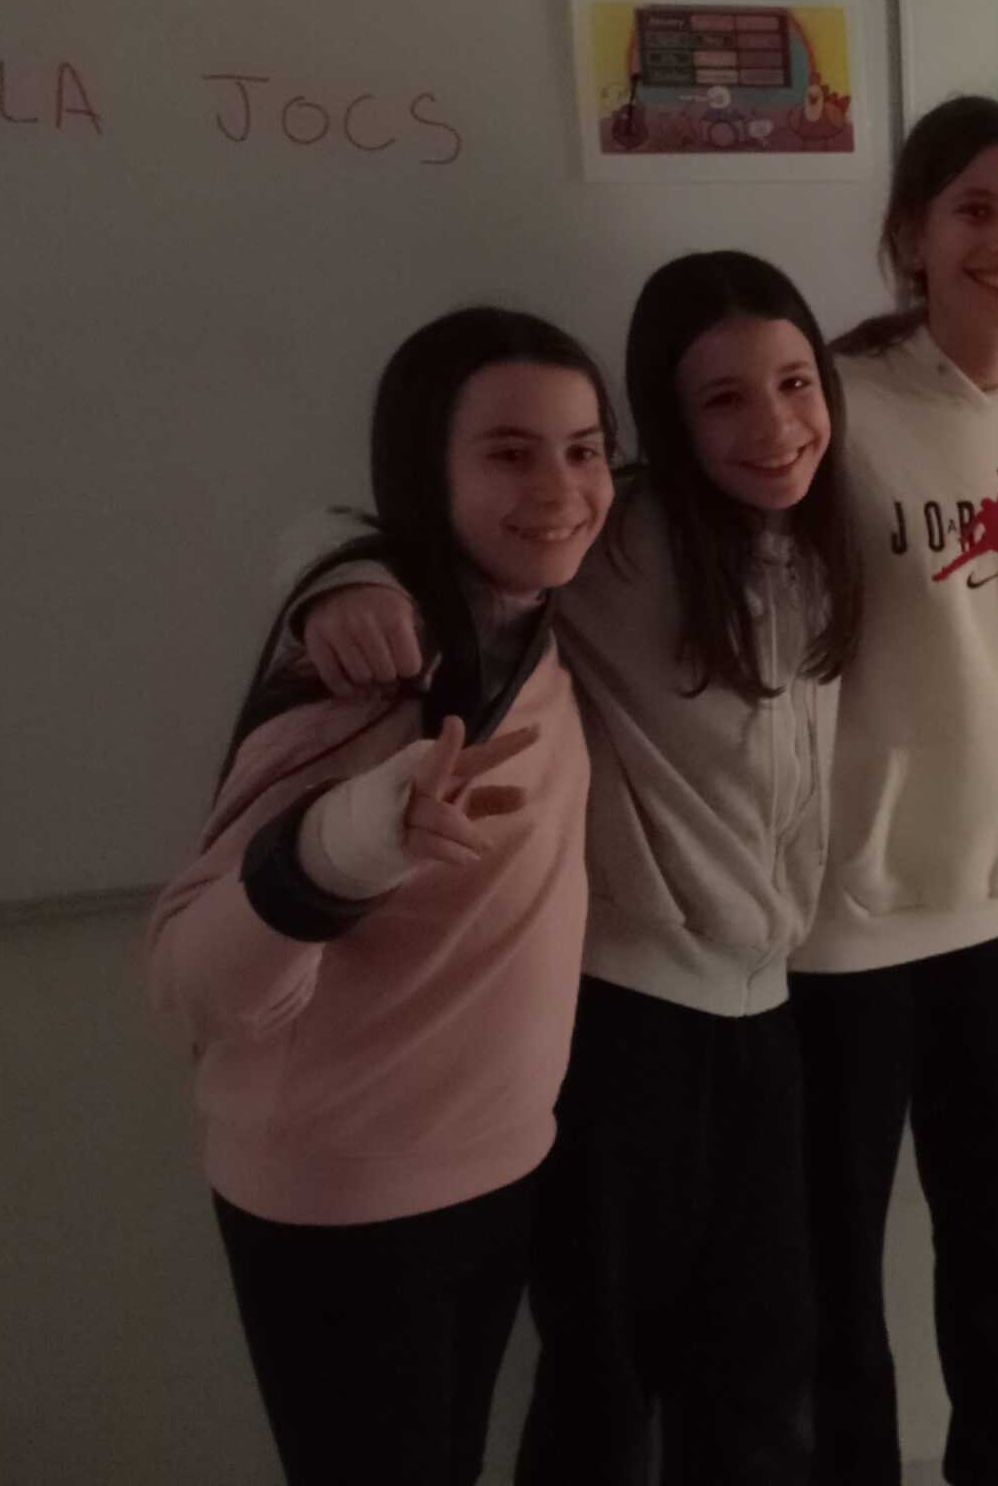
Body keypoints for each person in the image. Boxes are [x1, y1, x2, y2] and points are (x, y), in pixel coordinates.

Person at [295, 252, 861, 1485]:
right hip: (627, 1019)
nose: (774, 424)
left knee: (760, 1364)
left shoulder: (819, 544)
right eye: (722, 398)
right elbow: (402, 538)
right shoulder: (614, 541)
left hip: (768, 1009)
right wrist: (340, 580)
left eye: (794, 382)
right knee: (606, 1373)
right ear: (665, 417)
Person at [148, 306, 615, 1486]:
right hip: (341, 1201)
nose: (561, 487)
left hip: (499, 1167)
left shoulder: (535, 630)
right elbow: (187, 978)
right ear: (425, 468)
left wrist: (331, 558)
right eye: (509, 451)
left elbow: (338, 526)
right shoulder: (360, 683)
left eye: (584, 448)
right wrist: (341, 848)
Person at [795, 95, 998, 1486]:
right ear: (911, 235)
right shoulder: (832, 404)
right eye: (976, 210)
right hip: (844, 921)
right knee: (826, 1275)